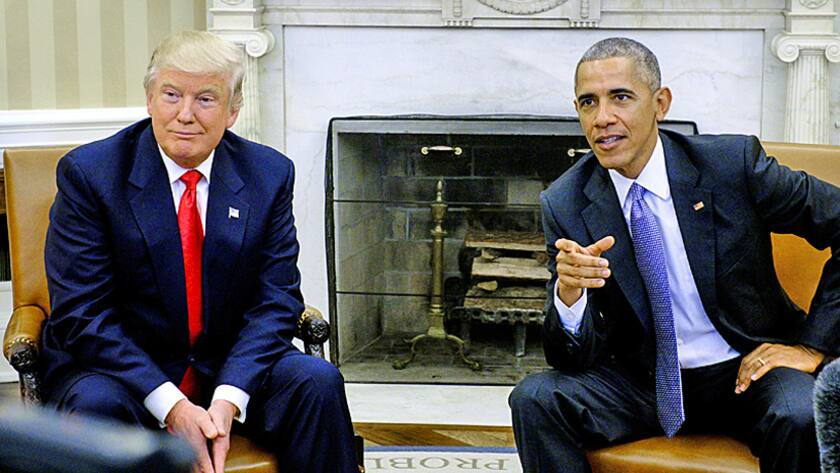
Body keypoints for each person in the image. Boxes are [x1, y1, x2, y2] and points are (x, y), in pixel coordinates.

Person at [509, 37, 840, 473]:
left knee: (799, 414)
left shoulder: (731, 165)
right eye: (588, 103)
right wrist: (569, 296)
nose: (603, 118)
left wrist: (811, 347)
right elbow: (569, 360)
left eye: (621, 97)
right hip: (643, 382)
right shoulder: (566, 201)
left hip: (748, 368)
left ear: (660, 103)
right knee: (535, 399)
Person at [40, 31, 357, 473]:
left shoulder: (267, 175)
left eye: (206, 99)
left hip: (227, 366)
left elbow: (277, 299)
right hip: (121, 372)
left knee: (316, 382)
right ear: (150, 98)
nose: (185, 115)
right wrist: (172, 405)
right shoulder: (91, 175)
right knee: (95, 406)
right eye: (171, 95)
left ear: (233, 111)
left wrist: (229, 397)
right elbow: (82, 314)